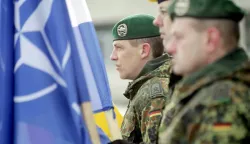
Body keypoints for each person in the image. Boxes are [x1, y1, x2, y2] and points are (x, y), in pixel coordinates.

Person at [158, 0, 250, 143]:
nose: (170, 48)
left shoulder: (221, 103)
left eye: (179, 37)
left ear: (211, 39)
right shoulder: (203, 89)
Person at [110, 14, 172, 143]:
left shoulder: (154, 93)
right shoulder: (148, 86)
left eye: (119, 48)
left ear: (144, 50)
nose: (113, 56)